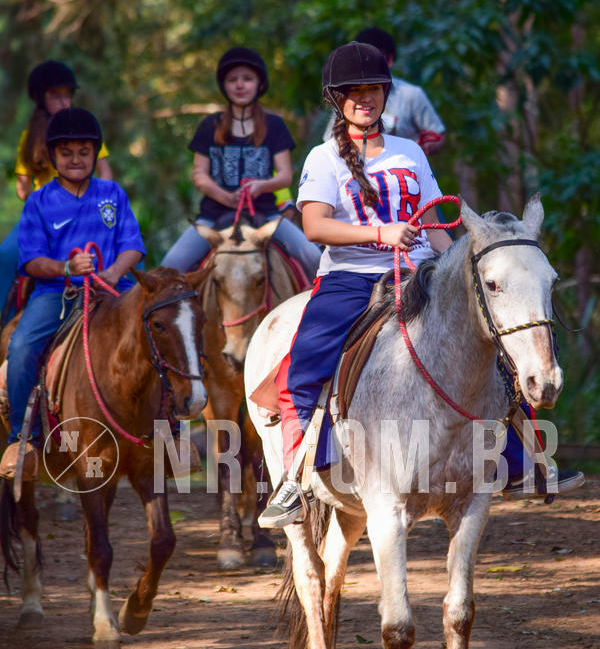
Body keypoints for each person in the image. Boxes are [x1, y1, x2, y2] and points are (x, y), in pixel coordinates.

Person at [260, 41, 583, 528]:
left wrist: (464, 259)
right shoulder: (322, 158)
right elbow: (315, 227)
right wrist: (380, 233)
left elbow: (434, 227)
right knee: (304, 367)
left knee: (495, 348)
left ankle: (526, 463)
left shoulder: (409, 151)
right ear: (337, 99)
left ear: (385, 93)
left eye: (373, 89)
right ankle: (296, 478)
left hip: (417, 272)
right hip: (351, 277)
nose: (365, 98)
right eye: (355, 92)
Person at [0, 107, 144, 479]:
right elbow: (31, 261)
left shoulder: (113, 194)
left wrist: (113, 271)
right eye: (67, 153)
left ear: (95, 154)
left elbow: (133, 245)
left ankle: (170, 431)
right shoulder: (39, 201)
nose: (76, 159)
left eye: (84, 152)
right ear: (53, 156)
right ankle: (23, 440)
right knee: (20, 347)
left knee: (159, 329)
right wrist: (66, 268)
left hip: (115, 288)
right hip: (57, 293)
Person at [160, 47, 321, 278]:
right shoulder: (209, 125)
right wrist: (223, 196)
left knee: (314, 258)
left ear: (259, 84)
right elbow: (199, 175)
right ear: (224, 85)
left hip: (266, 216)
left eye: (247, 79)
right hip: (213, 216)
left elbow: (285, 175)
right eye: (232, 79)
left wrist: (260, 186)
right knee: (168, 269)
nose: (239, 85)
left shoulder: (274, 125)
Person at [0, 61, 114, 319]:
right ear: (41, 99)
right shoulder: (29, 137)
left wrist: (103, 202)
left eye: (67, 95)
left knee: (128, 246)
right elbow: (22, 188)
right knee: (6, 255)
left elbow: (106, 172)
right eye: (56, 96)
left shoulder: (86, 128)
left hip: (86, 205)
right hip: (44, 212)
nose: (64, 102)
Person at [323, 26, 446, 156]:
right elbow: (330, 141)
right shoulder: (347, 96)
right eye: (364, 60)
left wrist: (418, 149)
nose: (366, 98)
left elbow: (437, 133)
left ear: (390, 60)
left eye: (376, 60)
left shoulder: (411, 95)